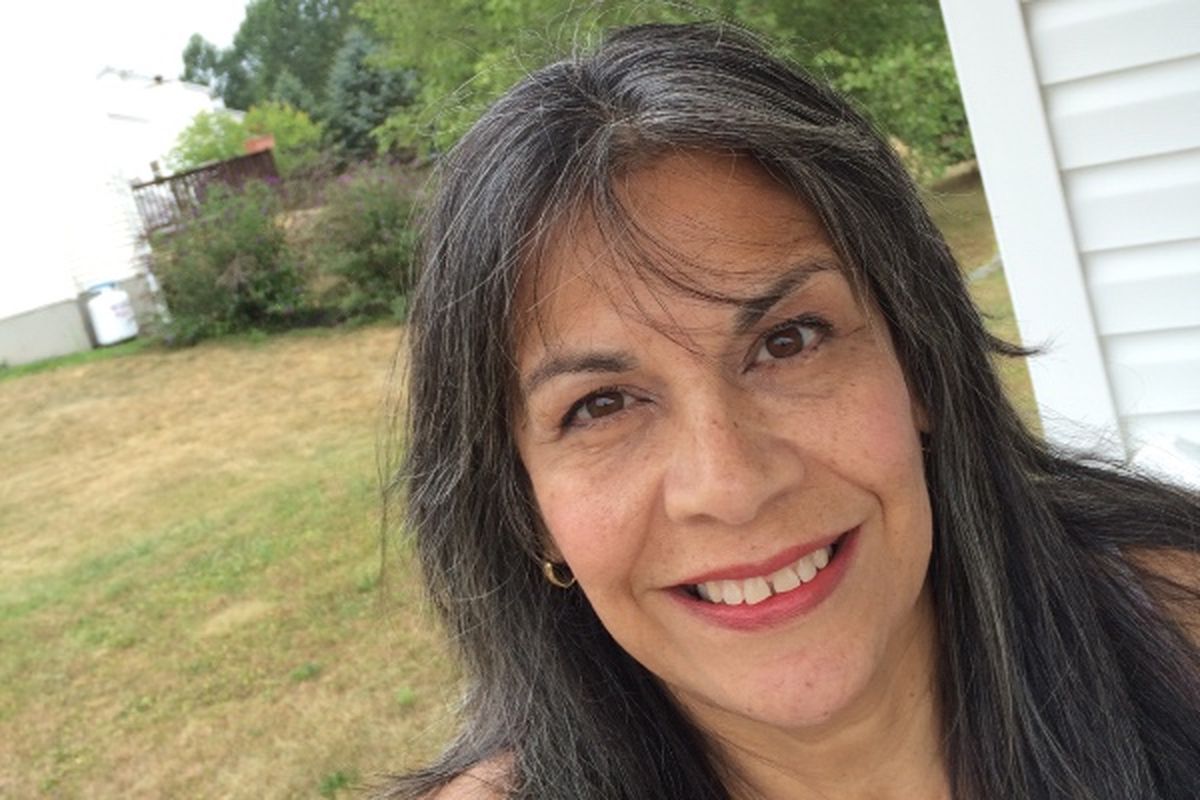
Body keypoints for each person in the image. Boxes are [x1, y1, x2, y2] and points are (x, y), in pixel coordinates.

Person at [385, 22, 1200, 800]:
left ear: (920, 361)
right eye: (601, 406)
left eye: (788, 341)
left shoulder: (1179, 626)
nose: (732, 485)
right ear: (526, 509)